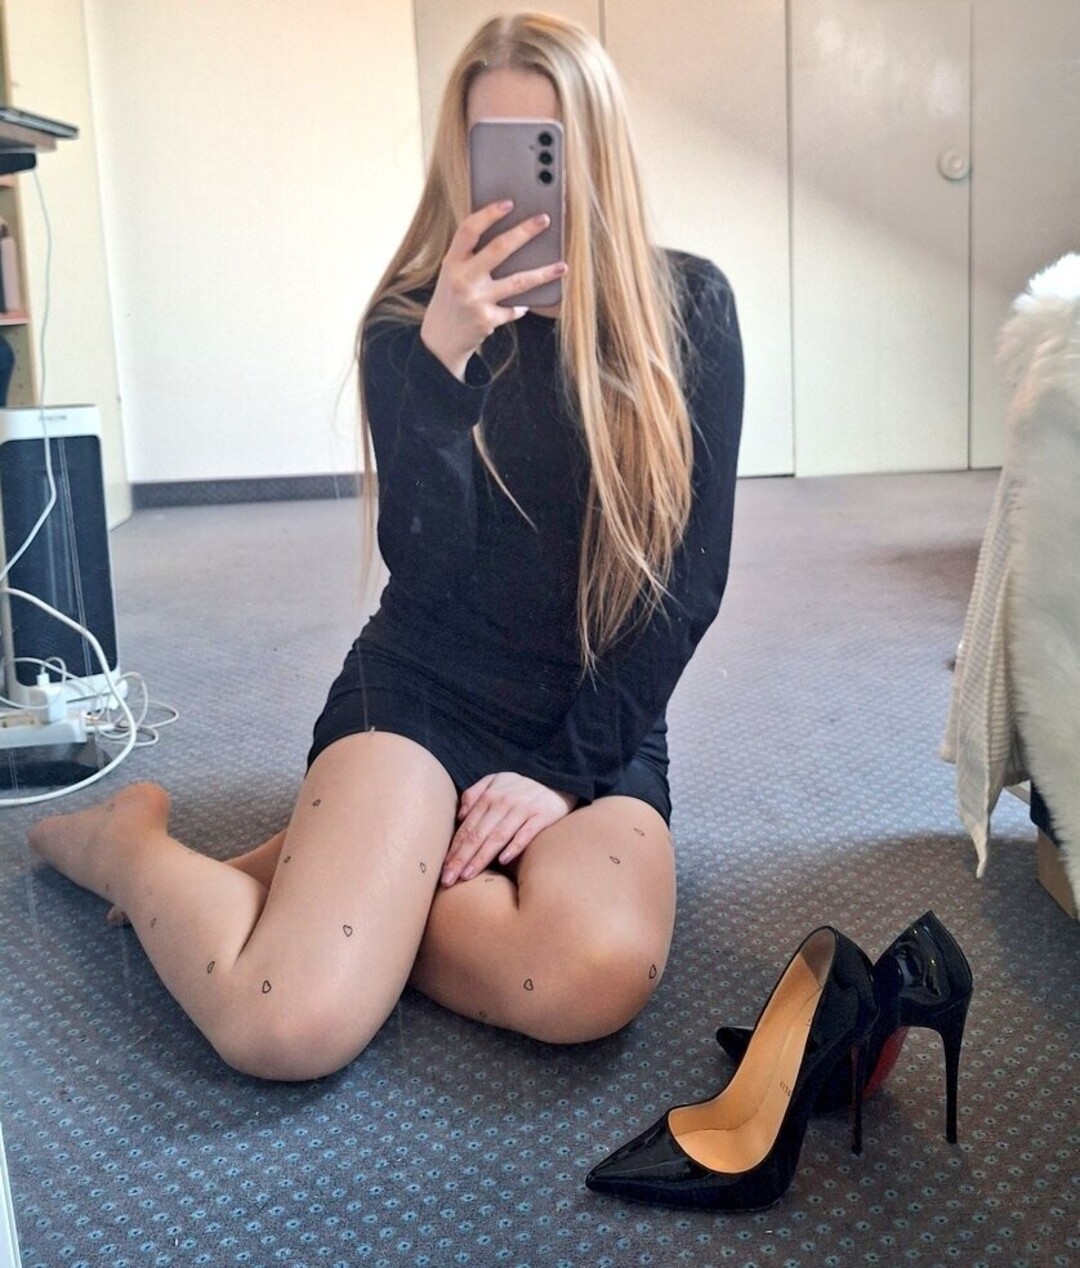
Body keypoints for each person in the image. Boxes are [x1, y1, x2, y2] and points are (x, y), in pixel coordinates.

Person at [28, 12, 743, 1081]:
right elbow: (427, 568)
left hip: (597, 712)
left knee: (593, 974)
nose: (522, 185)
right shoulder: (409, 325)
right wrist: (441, 370)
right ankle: (129, 845)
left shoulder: (691, 310)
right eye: (493, 148)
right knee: (284, 1026)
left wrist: (560, 776)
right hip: (427, 694)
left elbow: (686, 589)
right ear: (459, 156)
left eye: (546, 148)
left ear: (596, 148)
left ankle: (351, 879)